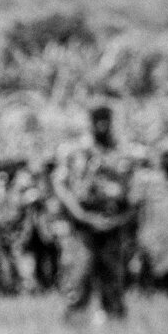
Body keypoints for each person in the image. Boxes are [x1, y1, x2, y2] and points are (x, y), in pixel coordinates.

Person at [52, 104, 138, 321]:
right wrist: (81, 215)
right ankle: (75, 323)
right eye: (96, 119)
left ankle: (115, 322)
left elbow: (133, 190)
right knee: (79, 274)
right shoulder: (75, 151)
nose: (101, 124)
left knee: (113, 278)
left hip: (113, 225)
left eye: (105, 119)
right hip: (82, 226)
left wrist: (120, 218)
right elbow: (60, 186)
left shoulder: (121, 151)